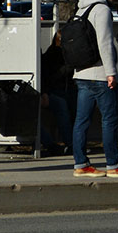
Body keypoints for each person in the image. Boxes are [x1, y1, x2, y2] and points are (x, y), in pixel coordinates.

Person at [71, 0, 118, 178]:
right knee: (109, 120)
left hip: (82, 73)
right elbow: (105, 43)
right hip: (100, 74)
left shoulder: (81, 9)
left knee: (81, 121)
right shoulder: (101, 10)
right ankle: (113, 164)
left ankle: (80, 164)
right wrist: (111, 72)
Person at [39, 27, 74, 156]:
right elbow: (51, 77)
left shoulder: (51, 53)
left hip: (54, 91)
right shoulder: (53, 55)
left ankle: (69, 143)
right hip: (52, 91)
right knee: (62, 107)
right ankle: (70, 143)